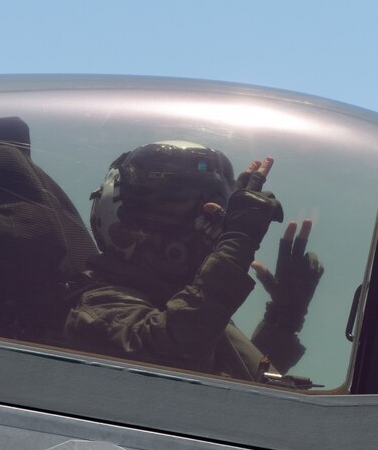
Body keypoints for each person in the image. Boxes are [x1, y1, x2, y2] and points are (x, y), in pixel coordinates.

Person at [65, 141, 323, 383]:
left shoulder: (182, 309)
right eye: (182, 205)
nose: (207, 223)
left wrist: (283, 320)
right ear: (124, 220)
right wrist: (237, 245)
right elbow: (172, 364)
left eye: (215, 209)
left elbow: (236, 389)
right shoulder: (99, 310)